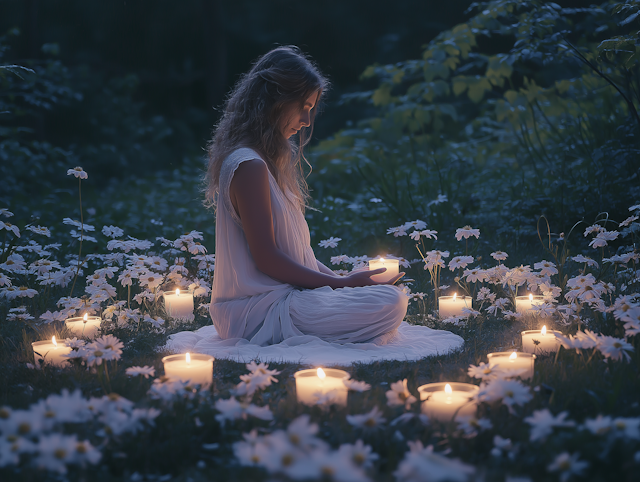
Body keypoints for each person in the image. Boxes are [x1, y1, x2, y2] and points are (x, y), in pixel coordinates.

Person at [203, 46, 408, 347]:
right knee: (388, 303)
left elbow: (298, 257)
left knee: (388, 296)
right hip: (256, 312)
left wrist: (343, 283)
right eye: (304, 106)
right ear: (276, 101)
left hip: (284, 299)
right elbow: (268, 259)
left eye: (311, 109)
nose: (306, 121)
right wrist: (340, 284)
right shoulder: (249, 166)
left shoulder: (265, 163)